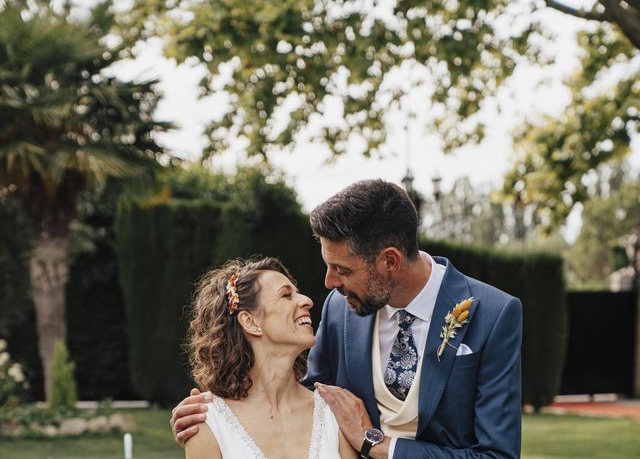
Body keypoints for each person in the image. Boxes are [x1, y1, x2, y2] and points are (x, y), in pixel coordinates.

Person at [172, 180, 522, 459]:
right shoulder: (342, 308)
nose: (328, 283)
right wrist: (216, 419)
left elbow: (497, 455)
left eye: (342, 269)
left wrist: (381, 447)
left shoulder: (493, 314)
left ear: (390, 262)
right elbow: (306, 395)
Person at [182, 256, 356, 459]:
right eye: (286, 295)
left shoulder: (335, 413)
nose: (307, 301)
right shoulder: (207, 423)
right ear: (250, 321)